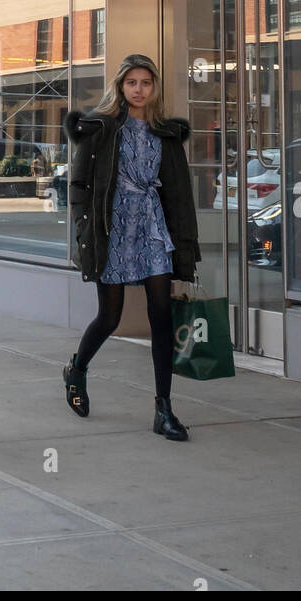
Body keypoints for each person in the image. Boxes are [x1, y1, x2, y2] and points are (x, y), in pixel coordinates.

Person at [63, 53, 200, 441]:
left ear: (154, 89)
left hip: (152, 225)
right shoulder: (101, 129)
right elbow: (79, 187)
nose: (139, 89)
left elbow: (180, 194)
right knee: (111, 316)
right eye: (132, 83)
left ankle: (164, 409)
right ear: (121, 87)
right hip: (112, 227)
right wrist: (83, 233)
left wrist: (186, 245)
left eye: (146, 83)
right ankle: (77, 369)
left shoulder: (166, 133)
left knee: (162, 316)